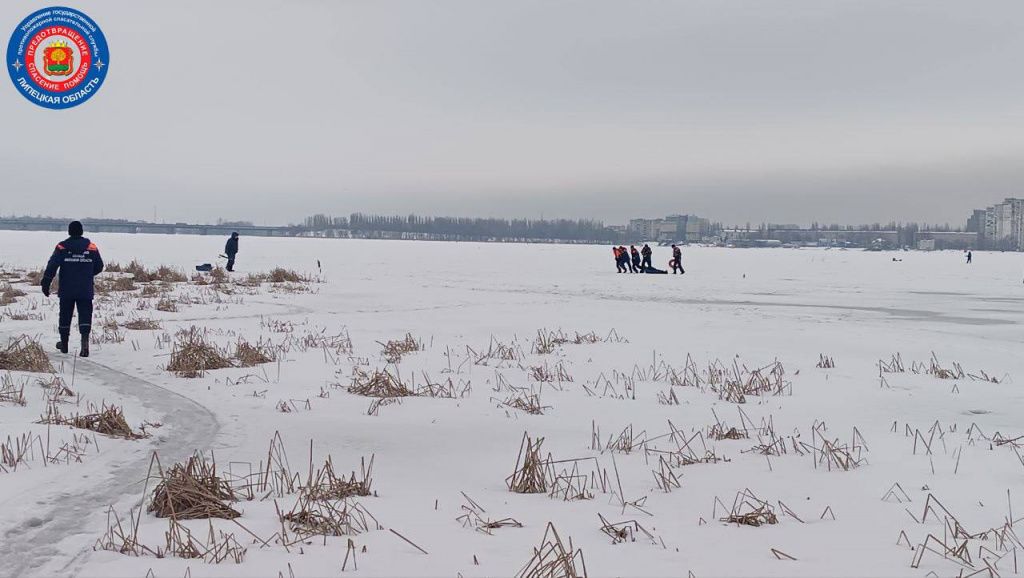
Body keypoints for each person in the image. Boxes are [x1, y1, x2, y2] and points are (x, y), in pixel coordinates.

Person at [41, 221, 103, 357]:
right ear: (81, 231)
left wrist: (46, 282)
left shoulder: (62, 246)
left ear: (69, 232)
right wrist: (86, 273)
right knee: (85, 315)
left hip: (67, 288)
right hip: (85, 288)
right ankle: (85, 346)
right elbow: (99, 266)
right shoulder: (91, 247)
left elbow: (52, 266)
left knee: (65, 315)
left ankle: (64, 344)